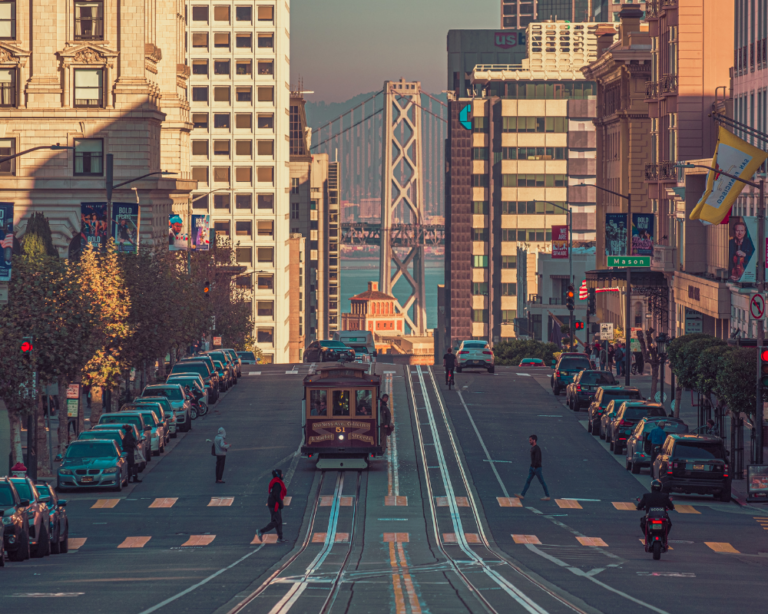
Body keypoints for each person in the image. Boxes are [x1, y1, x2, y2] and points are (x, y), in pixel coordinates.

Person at [515, 435, 550, 501]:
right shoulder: (533, 448)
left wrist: (534, 467)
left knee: (542, 482)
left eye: (530, 440)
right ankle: (522, 494)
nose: (529, 441)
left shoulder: (537, 448)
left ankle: (547, 495)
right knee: (528, 481)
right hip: (533, 468)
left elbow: (537, 459)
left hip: (536, 468)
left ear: (534, 440)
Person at [257, 469, 287, 542]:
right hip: (275, 504)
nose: (282, 475)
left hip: (273, 504)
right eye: (281, 474)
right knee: (276, 521)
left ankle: (280, 537)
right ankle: (261, 531)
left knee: (278, 521)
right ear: (278, 475)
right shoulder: (277, 484)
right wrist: (281, 504)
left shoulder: (275, 482)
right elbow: (277, 496)